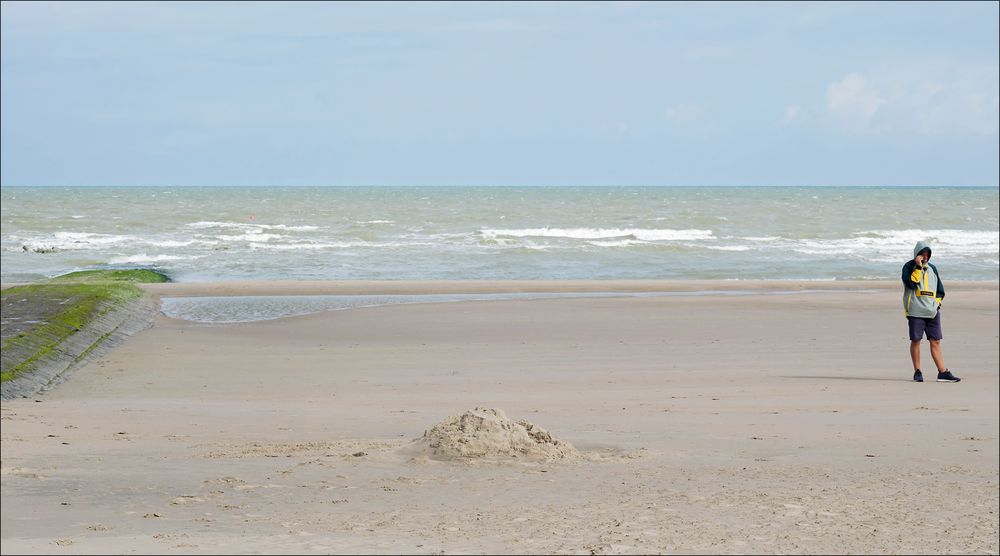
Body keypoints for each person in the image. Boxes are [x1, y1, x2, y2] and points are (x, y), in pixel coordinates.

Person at [901, 241, 960, 383]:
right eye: (922, 254)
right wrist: (918, 267)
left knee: (936, 341)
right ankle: (918, 371)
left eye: (927, 254)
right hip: (915, 311)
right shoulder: (908, 267)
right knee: (916, 340)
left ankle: (942, 372)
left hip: (932, 312)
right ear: (917, 254)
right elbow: (911, 283)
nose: (925, 257)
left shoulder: (933, 268)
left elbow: (940, 291)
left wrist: (936, 305)